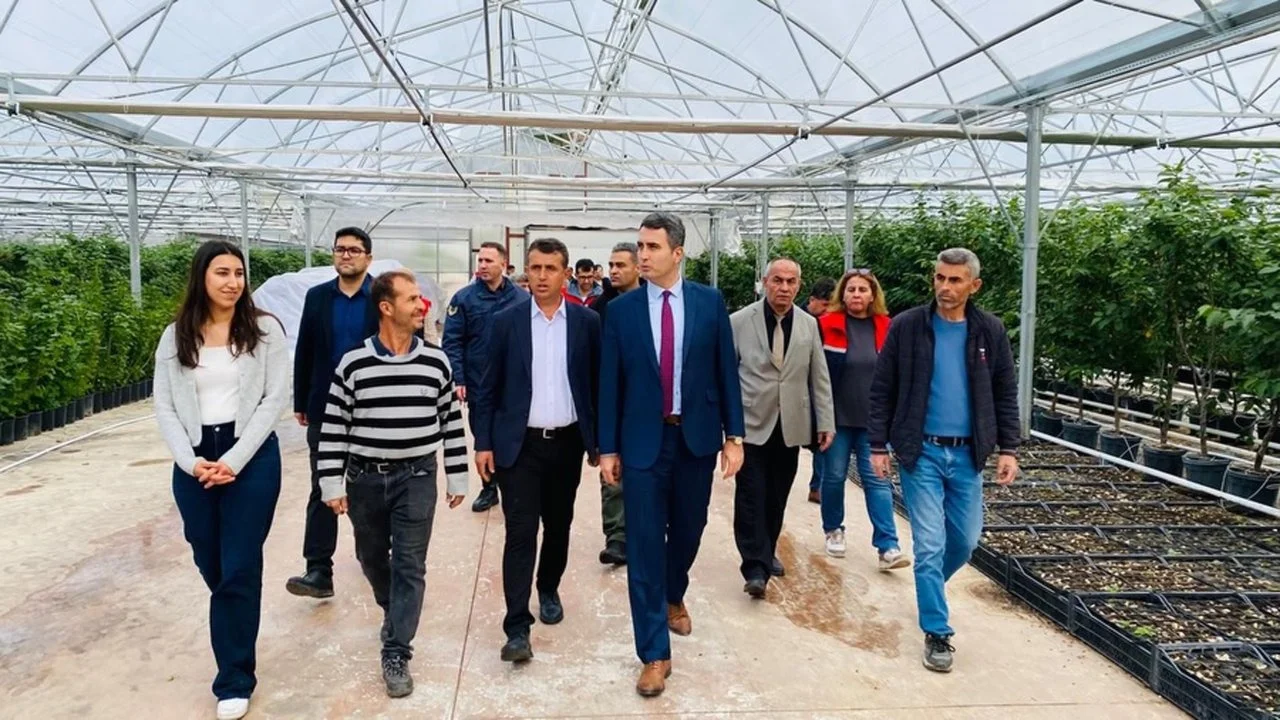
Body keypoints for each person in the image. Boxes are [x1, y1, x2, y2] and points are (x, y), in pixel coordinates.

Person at [598, 211, 745, 698]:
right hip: (642, 442)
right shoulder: (622, 311)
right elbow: (609, 382)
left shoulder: (708, 302)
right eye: (640, 246)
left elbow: (726, 370)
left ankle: (673, 593)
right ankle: (654, 654)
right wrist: (607, 447)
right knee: (643, 544)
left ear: (677, 253)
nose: (642, 255)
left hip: (695, 439)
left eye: (652, 247)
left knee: (689, 528)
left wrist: (735, 436)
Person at [152, 240, 289, 720]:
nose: (233, 282)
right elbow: (164, 405)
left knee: (239, 566)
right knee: (210, 558)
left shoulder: (265, 331)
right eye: (222, 273)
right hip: (193, 458)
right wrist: (191, 462)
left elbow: (273, 401)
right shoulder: (176, 336)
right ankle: (235, 623)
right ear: (202, 277)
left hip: (250, 456)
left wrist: (232, 459)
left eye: (238, 273)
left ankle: (234, 677)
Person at [317, 270, 468, 698]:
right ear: (386, 307)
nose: (422, 306)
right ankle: (393, 606)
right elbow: (334, 427)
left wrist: (457, 475)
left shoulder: (436, 361)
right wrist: (331, 483)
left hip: (417, 476)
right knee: (370, 556)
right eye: (412, 299)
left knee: (410, 564)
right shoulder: (354, 363)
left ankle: (397, 649)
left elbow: (451, 422)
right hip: (364, 478)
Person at [869, 247, 1020, 674]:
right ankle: (937, 631)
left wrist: (1009, 448)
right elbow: (882, 389)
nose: (945, 287)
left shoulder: (989, 331)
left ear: (974, 286)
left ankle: (929, 584)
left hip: (969, 453)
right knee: (930, 544)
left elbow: (1005, 393)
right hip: (922, 452)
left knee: (965, 541)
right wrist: (877, 446)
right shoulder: (908, 326)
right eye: (940, 278)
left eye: (955, 280)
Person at [471, 238, 601, 663]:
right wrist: (483, 442)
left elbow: (596, 384)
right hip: (519, 446)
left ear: (566, 274)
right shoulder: (505, 322)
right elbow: (486, 387)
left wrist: (601, 442)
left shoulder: (586, 323)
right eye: (535, 268)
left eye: (551, 268)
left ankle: (548, 587)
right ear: (525, 272)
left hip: (566, 443)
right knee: (520, 531)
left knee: (559, 525)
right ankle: (516, 627)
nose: (542, 276)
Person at [729, 259, 834, 598]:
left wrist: (825, 421)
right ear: (765, 282)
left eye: (791, 282)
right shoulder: (739, 321)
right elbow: (727, 375)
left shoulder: (808, 325)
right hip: (750, 423)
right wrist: (727, 426)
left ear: (798, 286)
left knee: (776, 495)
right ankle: (754, 567)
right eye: (778, 280)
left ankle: (767, 549)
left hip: (791, 425)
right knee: (751, 495)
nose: (784, 288)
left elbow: (819, 376)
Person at [286, 228, 380, 599]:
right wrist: (301, 400)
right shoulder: (318, 297)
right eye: (340, 249)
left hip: (372, 409)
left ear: (368, 258)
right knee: (323, 485)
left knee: (369, 489)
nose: (346, 255)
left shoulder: (381, 295)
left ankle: (376, 557)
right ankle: (318, 570)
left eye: (354, 250)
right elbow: (305, 349)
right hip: (325, 405)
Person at [816, 269, 910, 570]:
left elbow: (897, 375)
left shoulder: (887, 327)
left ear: (873, 296)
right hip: (837, 420)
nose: (856, 294)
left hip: (874, 422)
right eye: (851, 289)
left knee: (878, 481)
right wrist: (819, 418)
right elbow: (816, 373)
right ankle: (833, 529)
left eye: (862, 290)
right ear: (842, 295)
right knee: (834, 477)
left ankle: (888, 546)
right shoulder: (826, 325)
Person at [444, 240, 526, 512]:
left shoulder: (521, 298)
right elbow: (452, 341)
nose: (482, 265)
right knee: (483, 435)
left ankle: (514, 486)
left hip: (513, 383)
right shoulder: (464, 299)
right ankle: (489, 487)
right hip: (478, 382)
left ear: (504, 264)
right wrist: (459, 378)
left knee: (514, 436)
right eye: (480, 260)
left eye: (488, 261)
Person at [591, 242, 643, 566]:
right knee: (612, 473)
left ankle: (642, 530)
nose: (614, 271)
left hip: (644, 402)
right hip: (610, 400)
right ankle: (617, 537)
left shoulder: (652, 303)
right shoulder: (601, 307)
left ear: (638, 267)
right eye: (611, 265)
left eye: (621, 265)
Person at [804, 277, 837, 504]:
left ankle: (817, 486)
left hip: (821, 388)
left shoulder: (830, 324)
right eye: (824, 305)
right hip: (799, 388)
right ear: (812, 300)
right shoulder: (799, 319)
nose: (827, 310)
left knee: (822, 438)